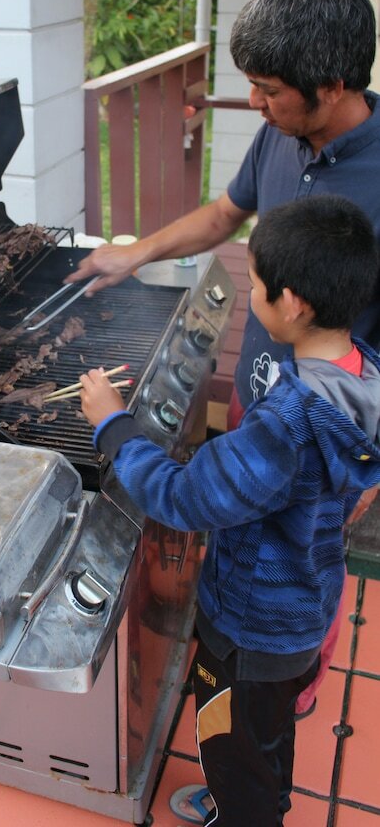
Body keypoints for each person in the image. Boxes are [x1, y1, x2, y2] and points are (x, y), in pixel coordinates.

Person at [67, 0, 380, 715]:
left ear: (330, 87)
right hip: (262, 404)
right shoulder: (281, 131)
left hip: (339, 426)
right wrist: (133, 253)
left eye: (268, 91)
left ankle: (285, 684)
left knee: (309, 558)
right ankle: (249, 663)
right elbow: (224, 213)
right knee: (256, 546)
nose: (254, 102)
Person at [78, 196, 380, 827]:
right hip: (305, 602)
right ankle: (261, 798)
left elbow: (183, 498)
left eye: (259, 286)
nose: (253, 293)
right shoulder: (365, 377)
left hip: (250, 625)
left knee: (228, 735)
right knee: (266, 732)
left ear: (293, 304)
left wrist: (112, 424)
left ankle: (244, 811)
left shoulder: (288, 427)